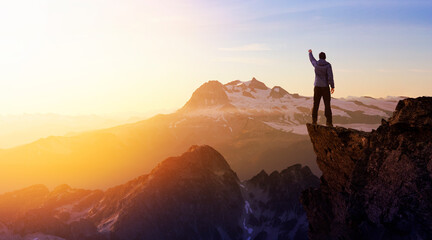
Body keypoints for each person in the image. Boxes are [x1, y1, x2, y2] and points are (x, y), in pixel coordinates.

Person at [308, 49, 334, 127]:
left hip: (317, 87)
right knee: (327, 105)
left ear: (319, 57)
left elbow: (311, 59)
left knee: (315, 104)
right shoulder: (328, 65)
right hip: (325, 87)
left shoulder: (316, 64)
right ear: (325, 57)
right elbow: (330, 77)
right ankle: (329, 122)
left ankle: (314, 121)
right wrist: (332, 86)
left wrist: (310, 53)